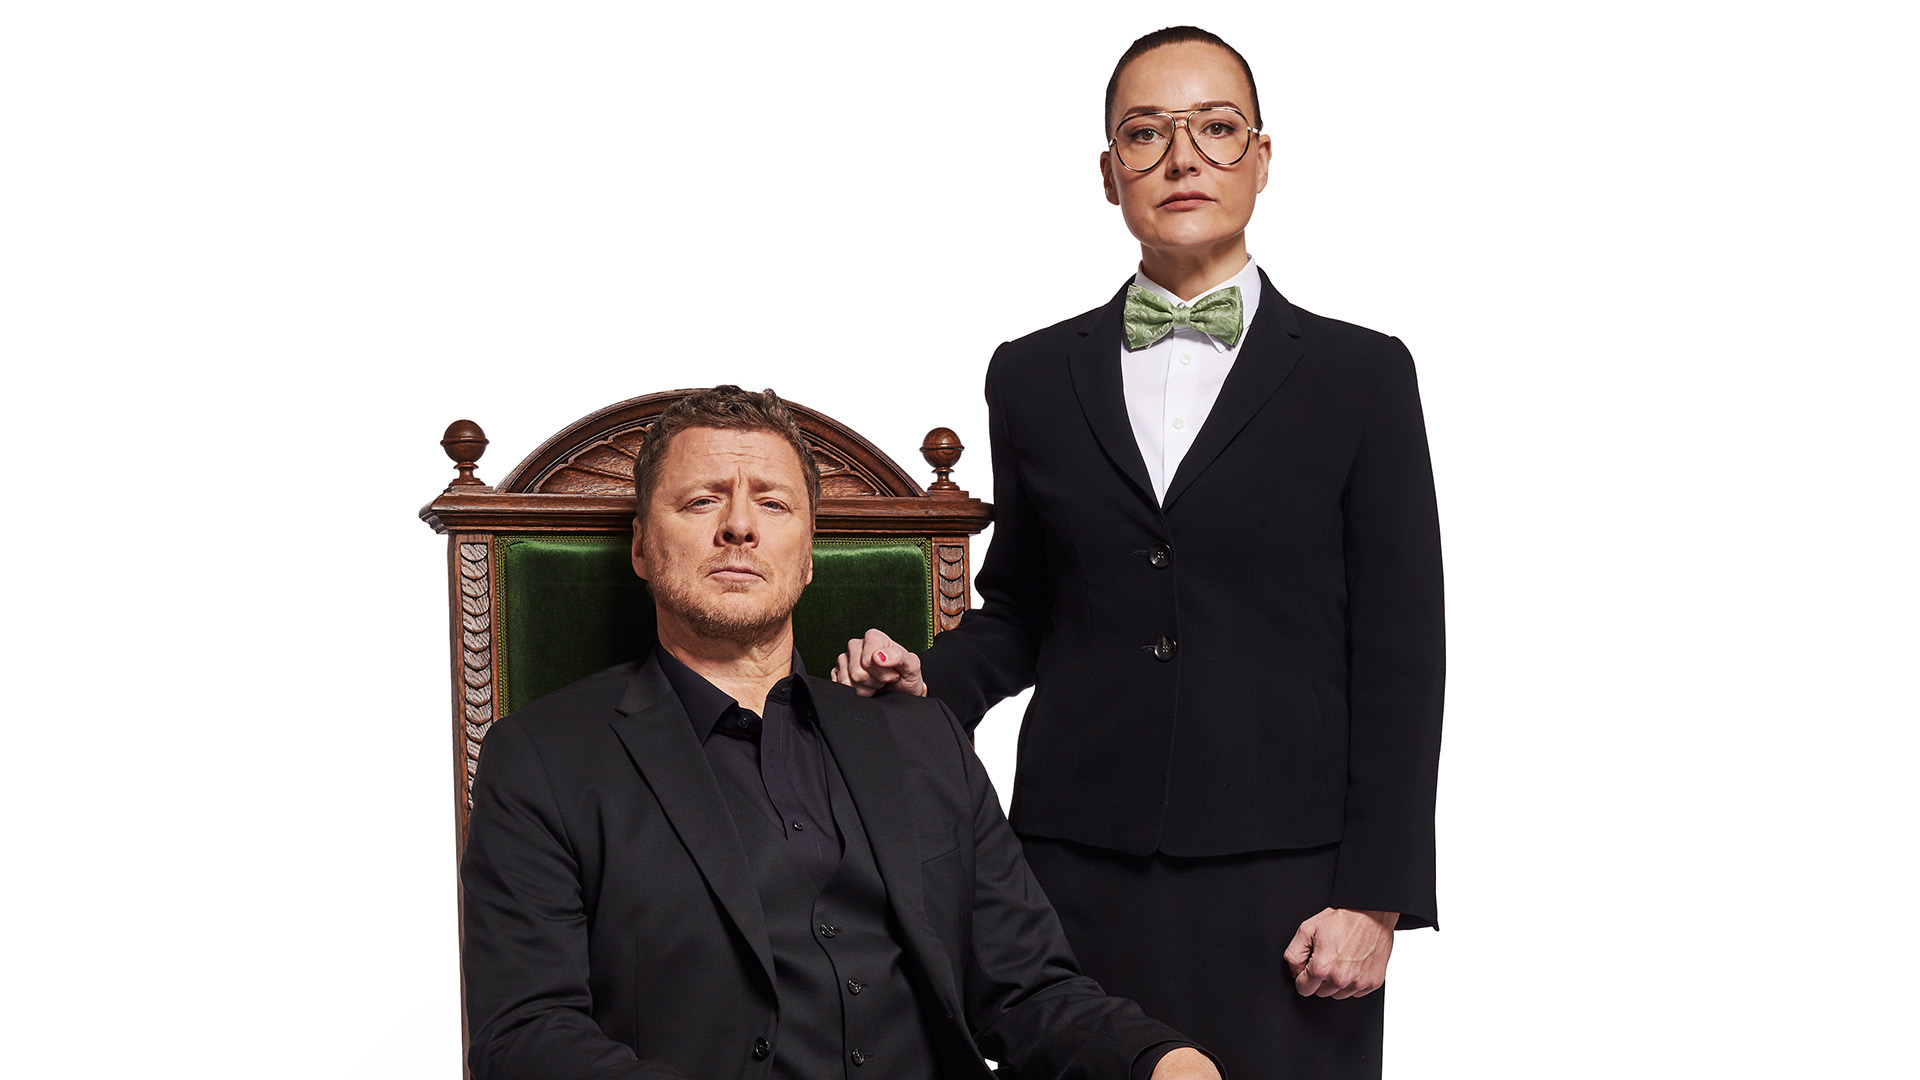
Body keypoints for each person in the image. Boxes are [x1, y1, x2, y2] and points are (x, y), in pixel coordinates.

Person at [833, 26, 1445, 1079]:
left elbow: (1402, 650)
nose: (1182, 157)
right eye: (1146, 132)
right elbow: (1025, 605)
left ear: (1262, 157)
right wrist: (929, 677)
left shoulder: (1363, 376)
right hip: (1072, 868)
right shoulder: (1031, 374)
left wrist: (1376, 895)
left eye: (1217, 128)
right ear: (1108, 170)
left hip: (1290, 884)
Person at [460, 386, 1224, 1080]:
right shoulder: (542, 758)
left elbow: (1028, 990)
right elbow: (524, 1034)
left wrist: (1162, 1060)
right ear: (640, 546)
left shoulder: (922, 737)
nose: (738, 526)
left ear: (808, 558)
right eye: (700, 501)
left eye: (773, 504)